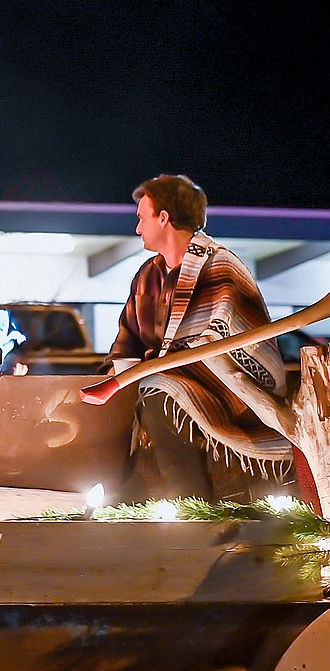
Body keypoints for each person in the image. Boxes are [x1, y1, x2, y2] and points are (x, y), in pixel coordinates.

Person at [105, 174, 291, 500]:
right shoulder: (148, 274)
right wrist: (115, 373)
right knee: (115, 399)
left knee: (159, 393)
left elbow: (221, 341)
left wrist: (152, 369)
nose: (137, 229)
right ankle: (120, 498)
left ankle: (189, 504)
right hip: (164, 375)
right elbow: (128, 338)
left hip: (225, 382)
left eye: (141, 218)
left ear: (163, 218)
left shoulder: (220, 265)